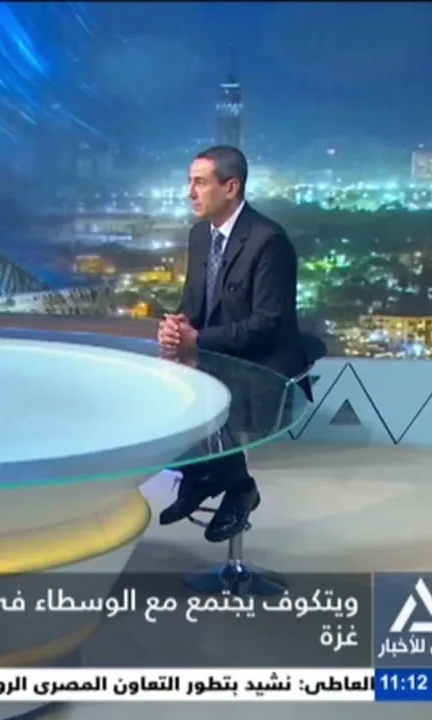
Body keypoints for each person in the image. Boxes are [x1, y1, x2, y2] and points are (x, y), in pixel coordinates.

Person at [157, 145, 309, 543]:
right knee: (165, 391)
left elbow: (268, 324)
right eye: (189, 182)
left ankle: (237, 488)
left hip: (262, 362)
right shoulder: (199, 235)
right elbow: (193, 304)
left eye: (200, 182)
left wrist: (198, 338)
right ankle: (202, 478)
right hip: (216, 354)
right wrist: (177, 325)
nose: (190, 192)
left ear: (231, 187)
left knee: (208, 400)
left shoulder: (268, 240)